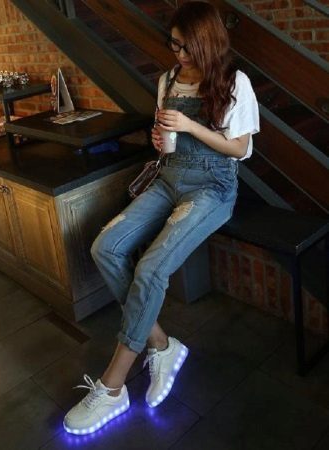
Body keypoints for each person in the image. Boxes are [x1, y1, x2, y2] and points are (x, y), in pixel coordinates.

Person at [63, 0, 259, 435]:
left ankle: (113, 386)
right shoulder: (167, 80)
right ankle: (160, 344)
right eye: (174, 45)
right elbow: (167, 139)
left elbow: (240, 148)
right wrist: (161, 136)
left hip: (213, 187)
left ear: (208, 42)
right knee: (105, 247)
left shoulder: (234, 81)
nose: (181, 55)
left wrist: (190, 127)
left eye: (188, 47)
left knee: (151, 268)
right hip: (169, 177)